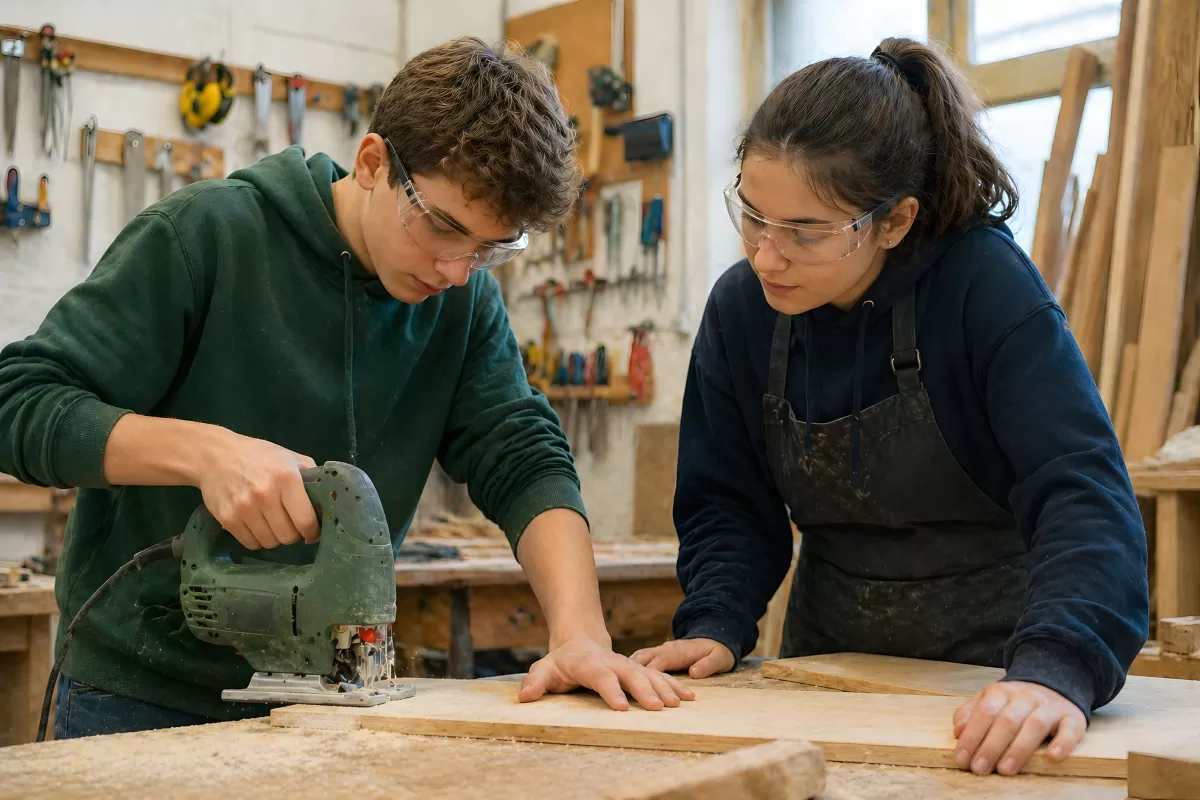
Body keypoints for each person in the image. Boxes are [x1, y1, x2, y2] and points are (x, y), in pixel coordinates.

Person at [0, 36, 691, 739]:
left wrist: (579, 635)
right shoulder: (205, 235)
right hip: (143, 700)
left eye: (491, 249)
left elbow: (522, 455)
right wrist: (204, 454)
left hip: (332, 700)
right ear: (373, 164)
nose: (457, 270)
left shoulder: (462, 299)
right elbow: (19, 400)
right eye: (445, 228)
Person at [631, 37, 1148, 776]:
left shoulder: (985, 288)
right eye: (752, 216)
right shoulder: (744, 309)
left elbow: (1082, 493)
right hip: (830, 663)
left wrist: (1056, 668)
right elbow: (727, 502)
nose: (767, 256)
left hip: (999, 677)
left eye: (805, 232)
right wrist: (717, 617)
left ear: (895, 221)